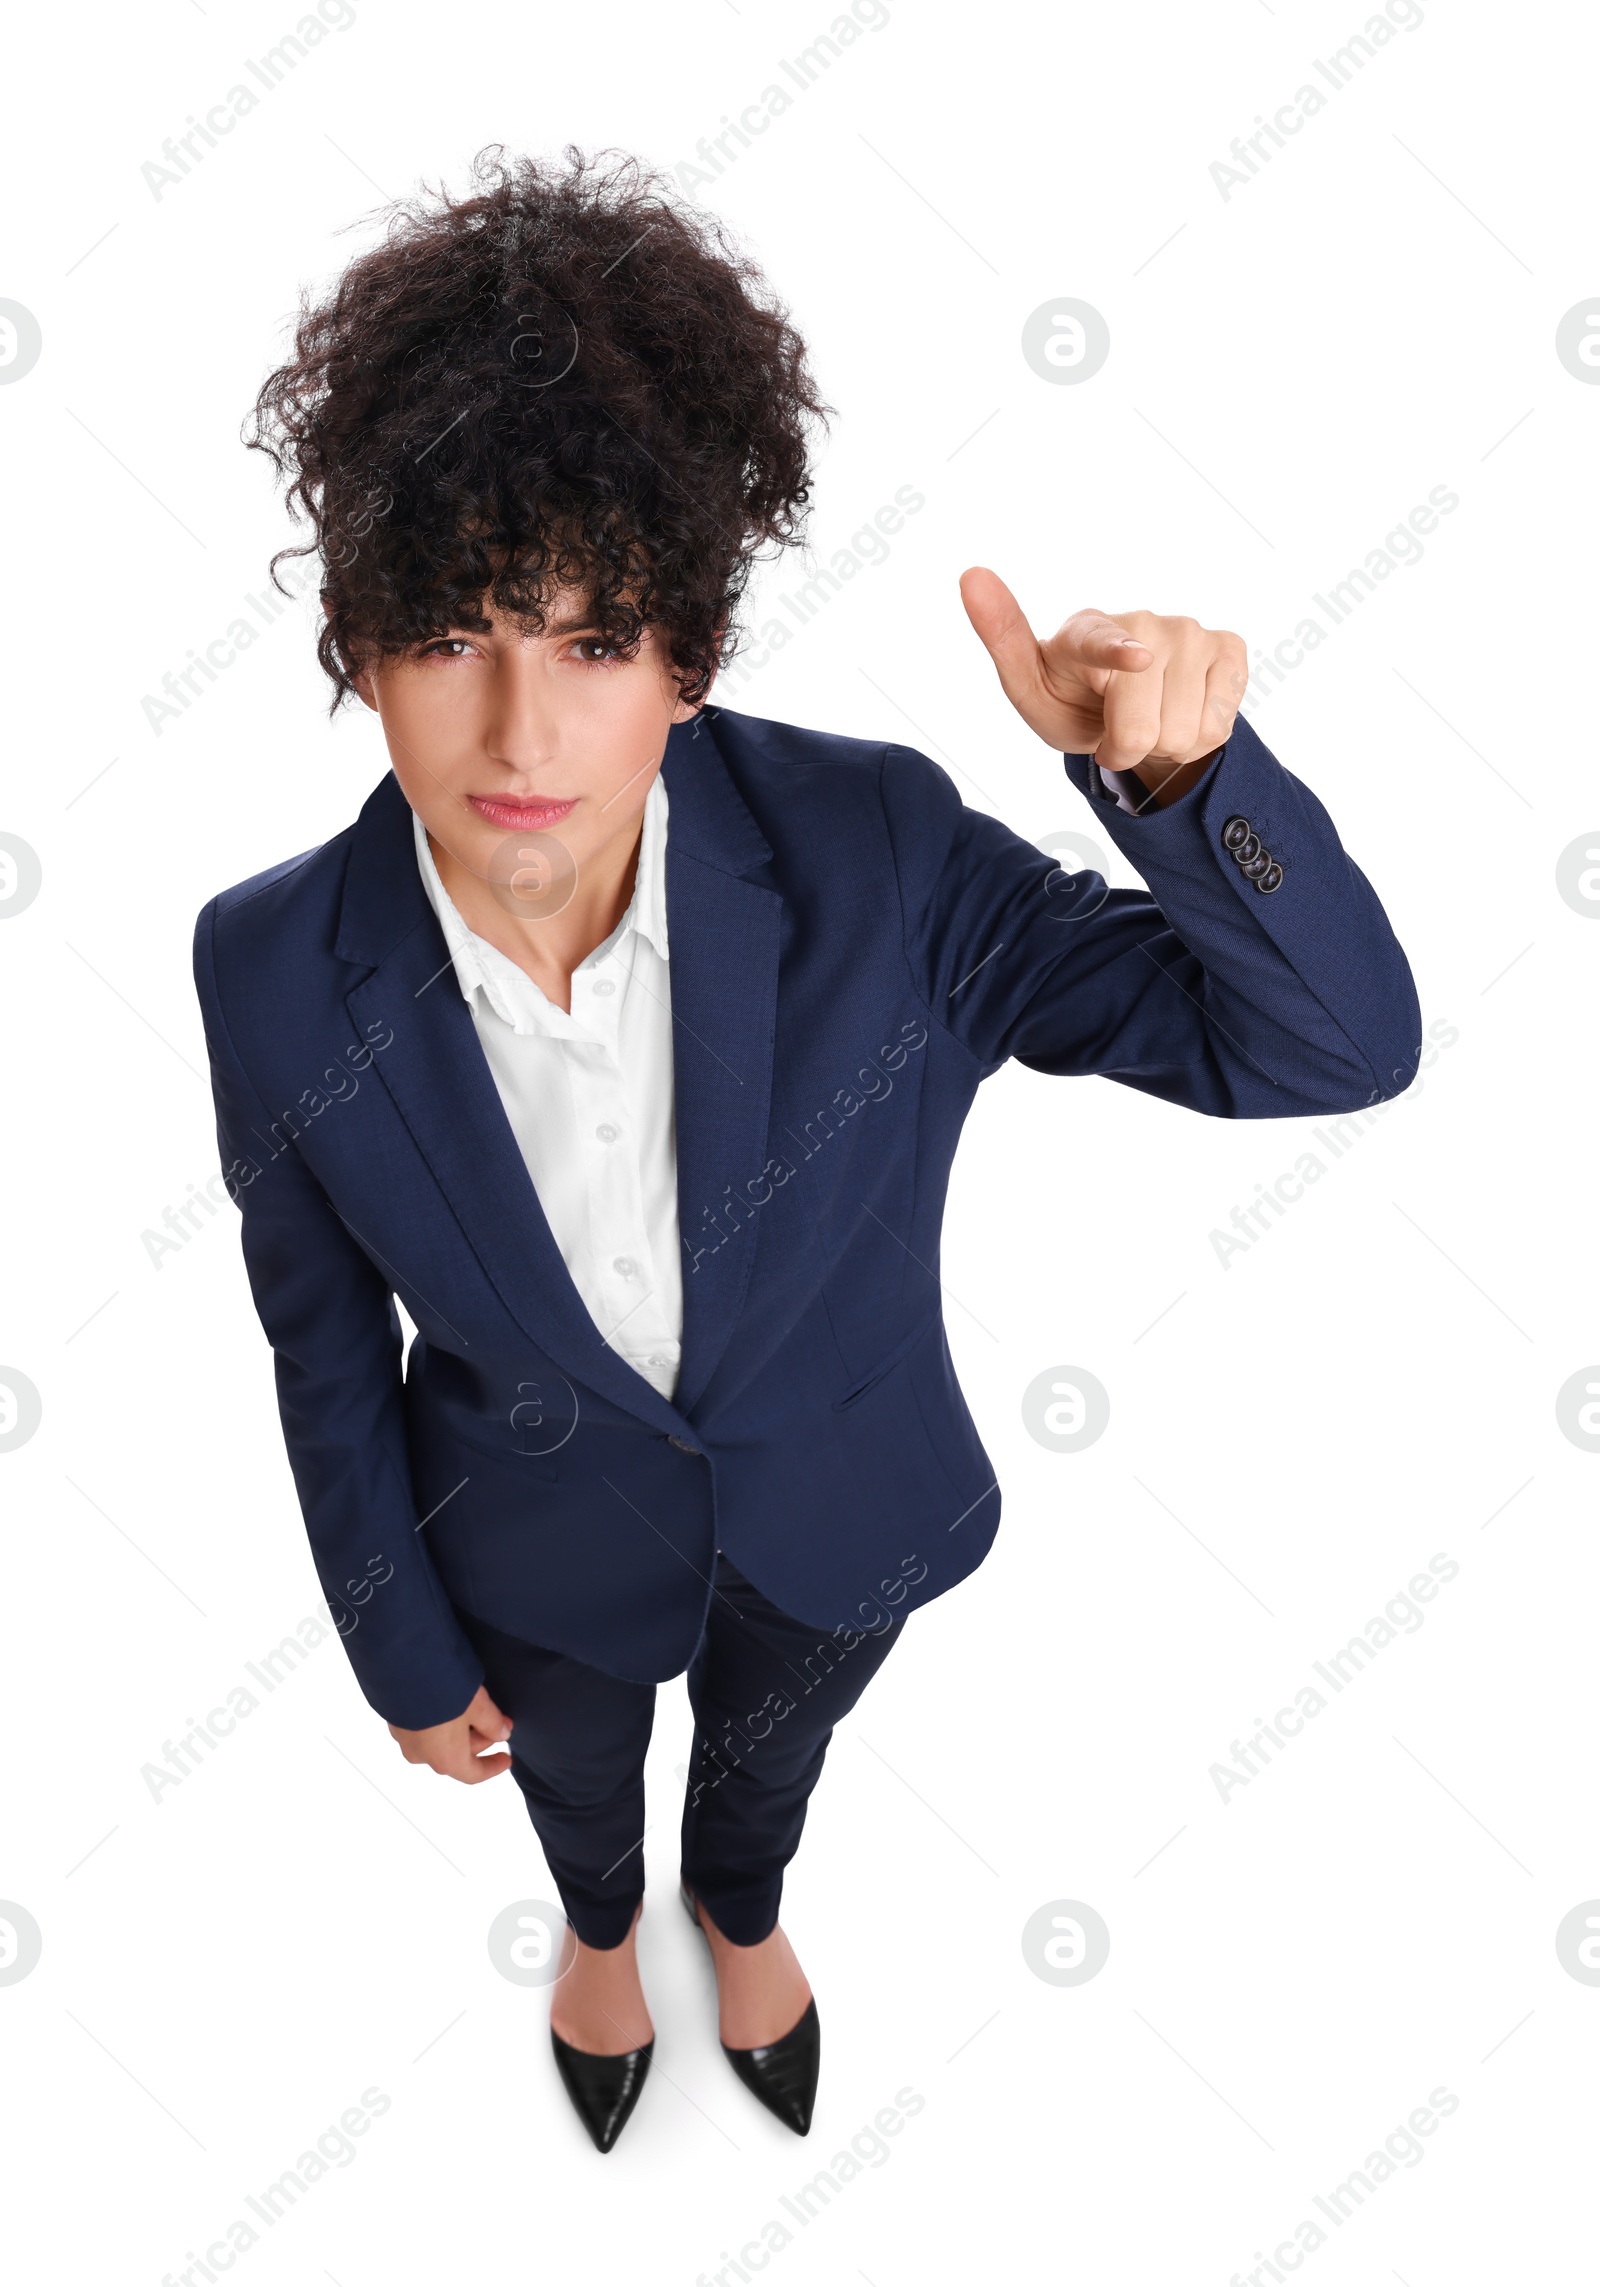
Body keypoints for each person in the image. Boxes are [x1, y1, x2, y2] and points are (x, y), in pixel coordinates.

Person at [193, 146, 1419, 2153]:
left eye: (593, 643)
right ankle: (602, 1929)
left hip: (842, 1504)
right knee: (580, 1790)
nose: (518, 732)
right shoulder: (265, 963)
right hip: (521, 1550)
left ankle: (736, 1910)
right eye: (449, 633)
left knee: (765, 1767)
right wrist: (394, 1647)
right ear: (357, 638)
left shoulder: (877, 854)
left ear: (687, 653)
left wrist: (1187, 789)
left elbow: (1325, 1049)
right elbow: (319, 1344)